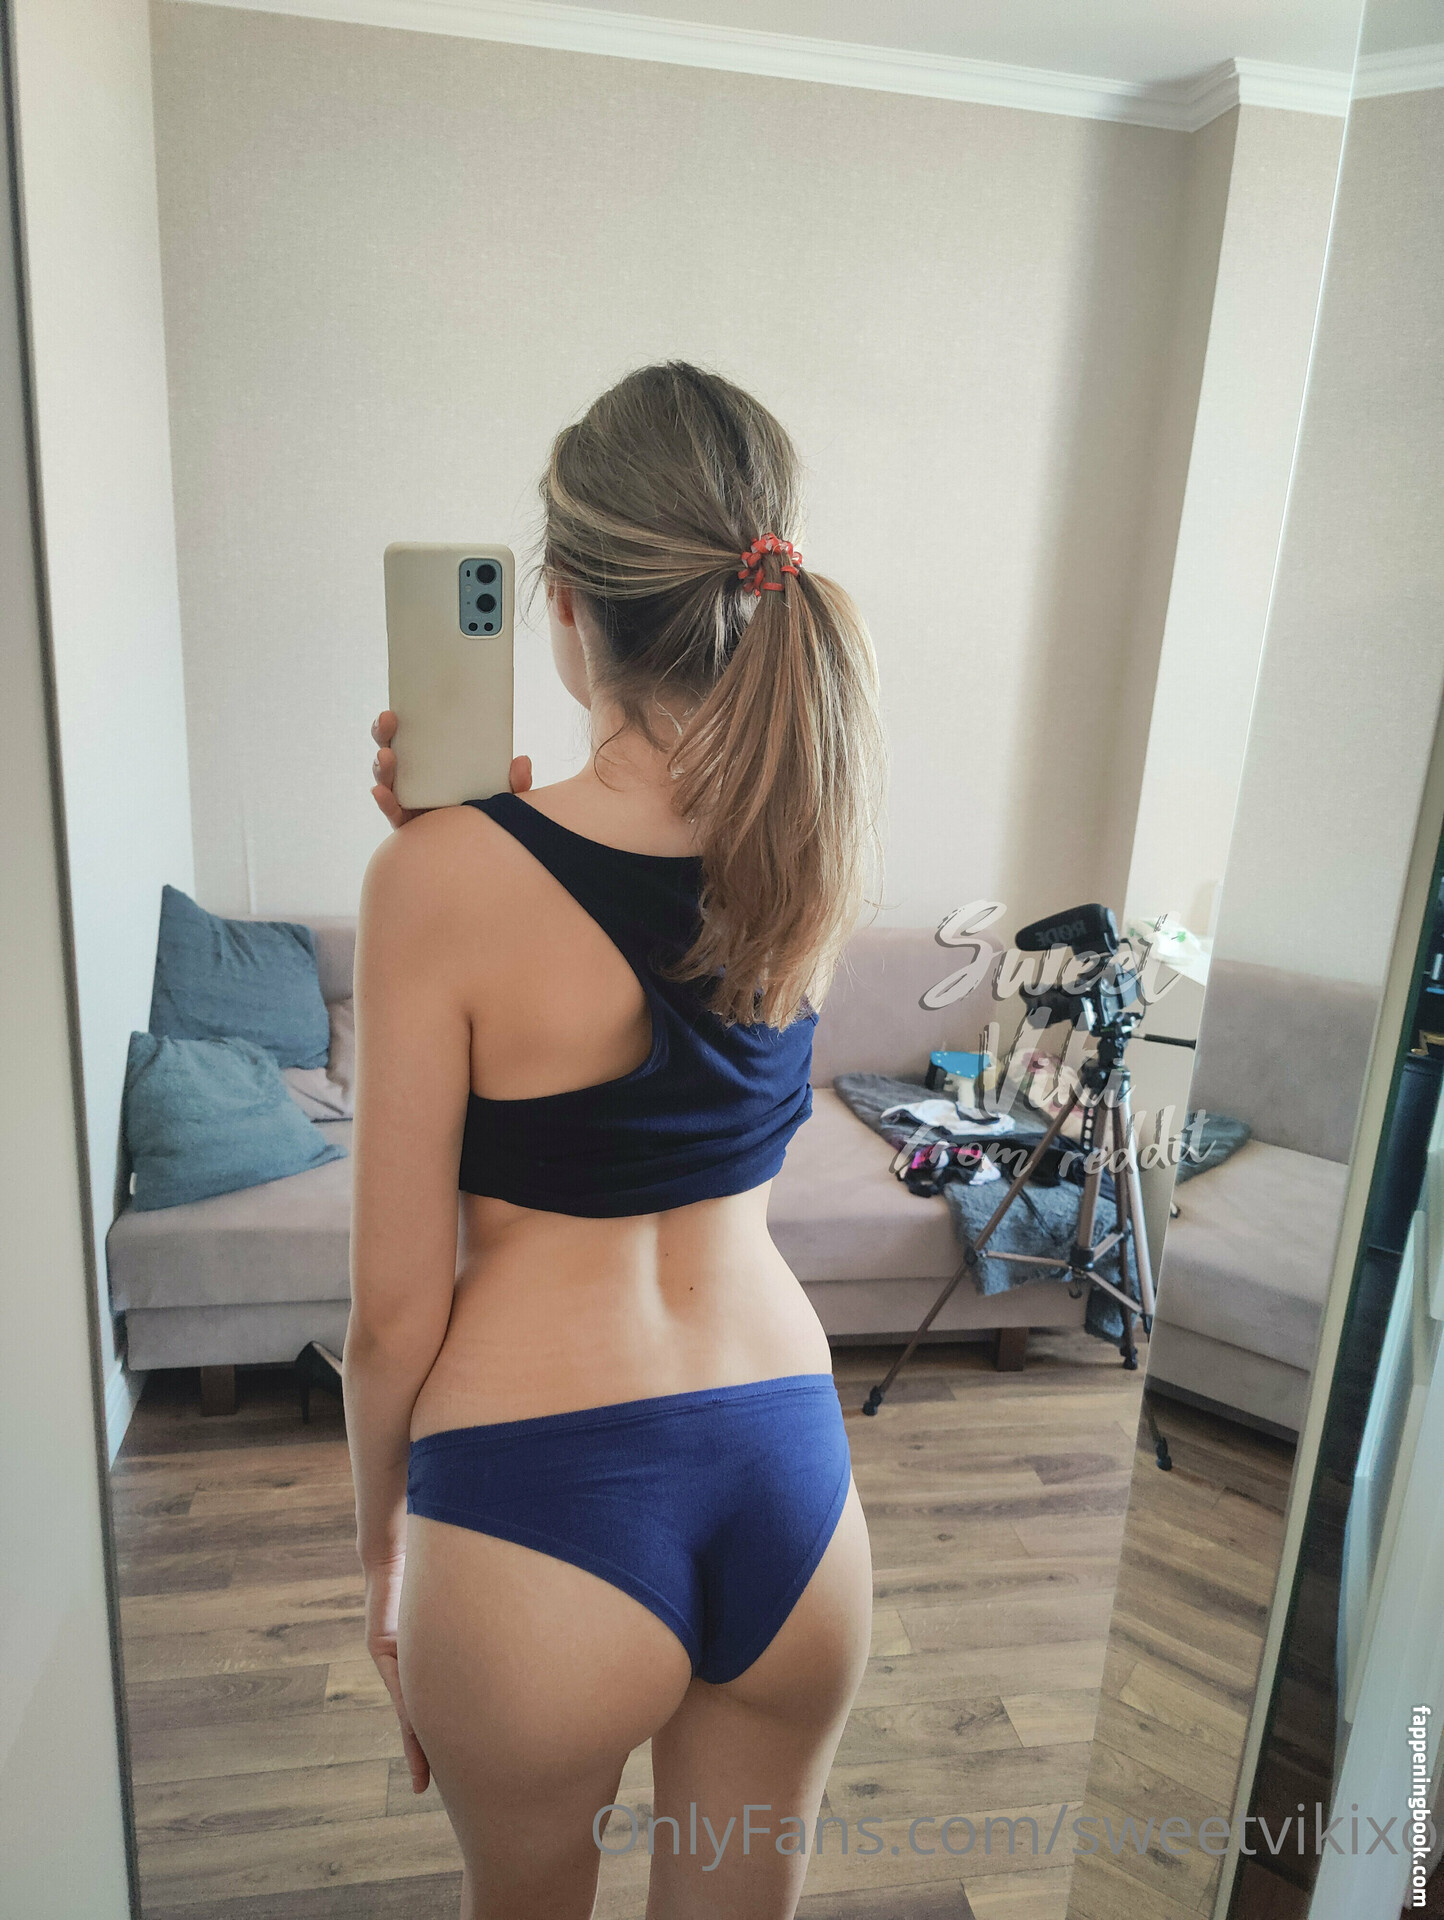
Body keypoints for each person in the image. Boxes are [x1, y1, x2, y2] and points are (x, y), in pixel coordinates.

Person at [344, 361, 887, 1919]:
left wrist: (385, 1559)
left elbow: (391, 1320)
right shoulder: (813, 837)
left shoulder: (440, 878)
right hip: (791, 1487)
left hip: (535, 1503)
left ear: (565, 606)